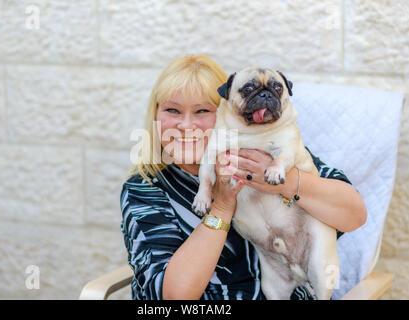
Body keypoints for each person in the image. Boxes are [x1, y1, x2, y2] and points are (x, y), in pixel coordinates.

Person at [120, 54, 367, 300]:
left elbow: (354, 216)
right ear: (156, 114)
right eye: (173, 110)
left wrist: (285, 182)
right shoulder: (145, 189)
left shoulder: (270, 152)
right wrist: (222, 206)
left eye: (202, 110)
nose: (186, 125)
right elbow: (173, 297)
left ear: (225, 110)